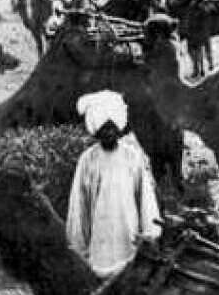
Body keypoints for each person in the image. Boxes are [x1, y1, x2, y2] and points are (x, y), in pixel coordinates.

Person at [66, 90, 162, 279]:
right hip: (100, 234)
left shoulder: (132, 156)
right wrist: (79, 243)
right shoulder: (88, 159)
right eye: (104, 129)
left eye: (112, 128)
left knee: (129, 277)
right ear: (96, 131)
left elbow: (145, 196)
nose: (109, 133)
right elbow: (80, 203)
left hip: (129, 230)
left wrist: (149, 232)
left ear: (119, 129)